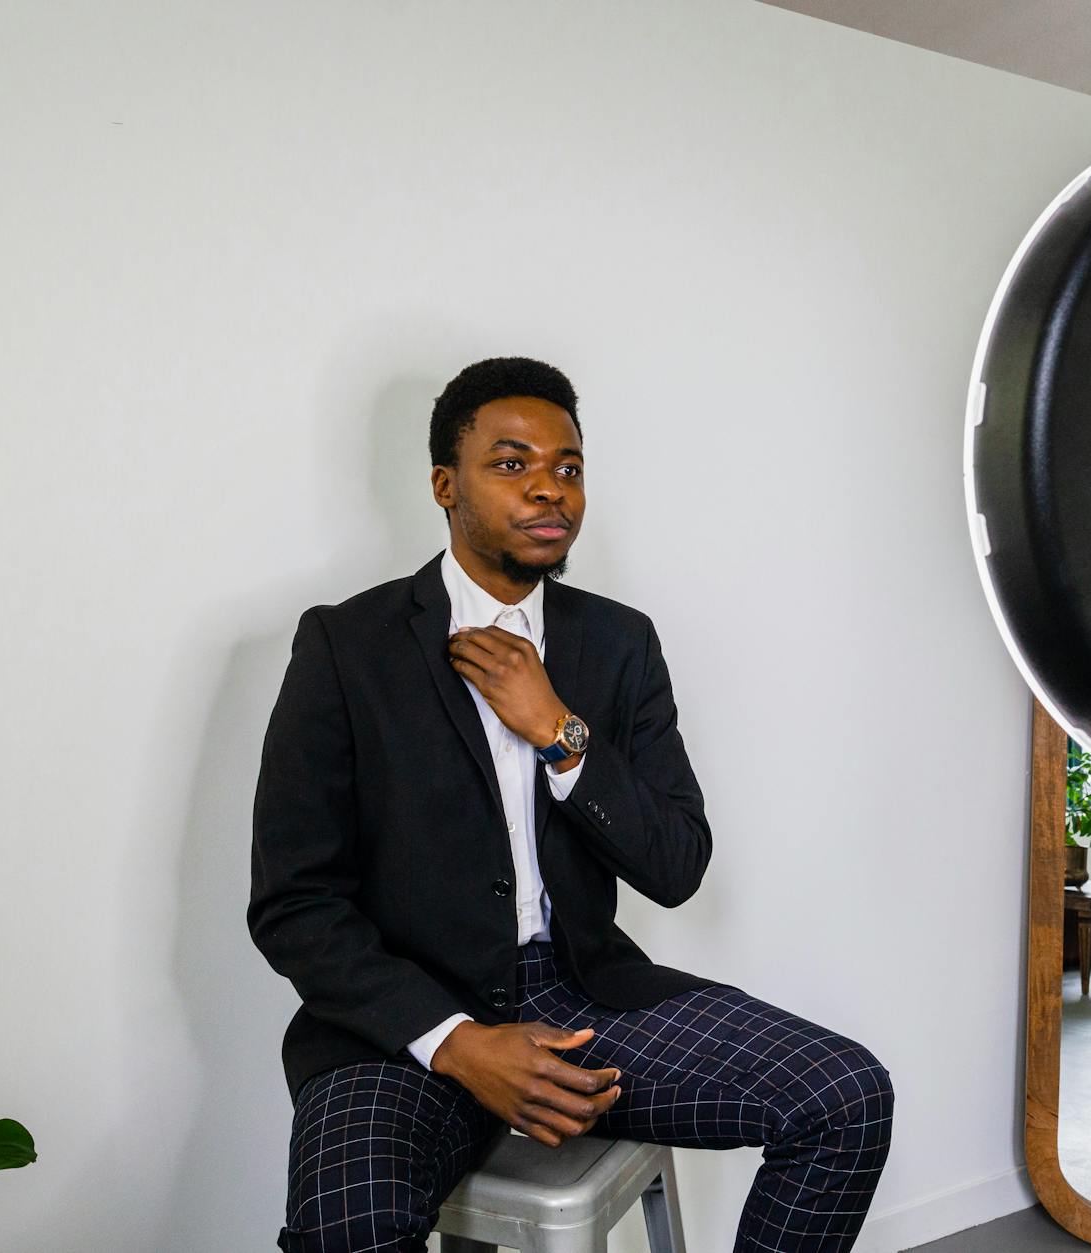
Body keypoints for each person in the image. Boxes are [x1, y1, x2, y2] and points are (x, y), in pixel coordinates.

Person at [249, 357, 894, 1253]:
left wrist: (559, 730)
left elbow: (676, 864)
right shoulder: (346, 646)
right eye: (511, 463)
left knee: (844, 1098)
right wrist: (459, 1041)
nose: (550, 488)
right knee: (348, 1231)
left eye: (569, 466)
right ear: (445, 484)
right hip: (401, 1021)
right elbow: (295, 903)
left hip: (586, 994)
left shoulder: (618, 642)